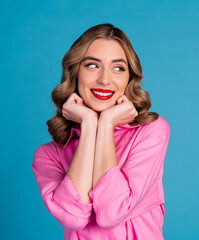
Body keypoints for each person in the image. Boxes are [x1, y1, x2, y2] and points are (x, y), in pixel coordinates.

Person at [32, 23, 170, 240]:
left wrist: (105, 123)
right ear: (75, 72)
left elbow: (111, 213)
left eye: (118, 68)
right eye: (92, 66)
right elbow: (74, 218)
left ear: (129, 79)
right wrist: (89, 124)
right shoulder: (48, 155)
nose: (105, 80)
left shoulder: (151, 133)